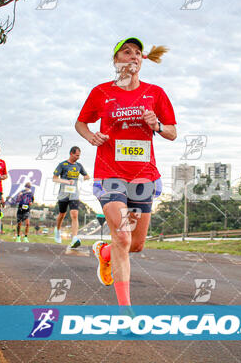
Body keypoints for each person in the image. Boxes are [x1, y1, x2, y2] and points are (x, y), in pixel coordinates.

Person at [75, 37, 176, 309]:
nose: (133, 56)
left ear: (142, 61)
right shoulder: (101, 92)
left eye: (137, 53)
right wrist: (90, 137)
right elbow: (81, 122)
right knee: (122, 235)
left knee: (136, 244)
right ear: (116, 60)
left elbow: (172, 132)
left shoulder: (155, 93)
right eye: (126, 52)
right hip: (110, 173)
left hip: (143, 176)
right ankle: (125, 311)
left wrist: (156, 126)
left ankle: (104, 252)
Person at [52, 146, 91, 247]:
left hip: (74, 194)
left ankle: (74, 238)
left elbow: (86, 176)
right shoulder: (62, 165)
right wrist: (66, 181)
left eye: (79, 155)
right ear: (71, 154)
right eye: (77, 155)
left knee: (74, 214)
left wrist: (85, 178)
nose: (78, 157)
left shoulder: (79, 166)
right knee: (62, 214)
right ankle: (58, 230)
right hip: (63, 194)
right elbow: (55, 179)